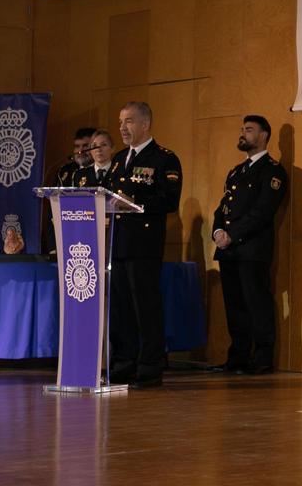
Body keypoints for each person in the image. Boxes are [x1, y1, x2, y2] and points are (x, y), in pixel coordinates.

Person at [103, 102, 183, 389]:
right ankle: (123, 364)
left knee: (145, 307)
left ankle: (149, 367)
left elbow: (169, 201)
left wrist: (135, 203)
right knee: (120, 307)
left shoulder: (164, 159)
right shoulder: (118, 158)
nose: (123, 127)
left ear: (146, 124)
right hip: (118, 243)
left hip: (144, 244)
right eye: (120, 122)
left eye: (129, 121)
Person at [210, 115, 287, 375]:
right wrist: (218, 230)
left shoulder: (273, 170)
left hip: (252, 249)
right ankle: (238, 357)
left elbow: (263, 211)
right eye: (242, 129)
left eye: (250, 130)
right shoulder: (236, 171)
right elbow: (223, 207)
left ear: (264, 135)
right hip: (229, 249)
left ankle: (262, 359)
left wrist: (233, 235)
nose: (243, 134)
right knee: (235, 306)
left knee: (257, 303)